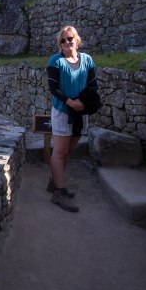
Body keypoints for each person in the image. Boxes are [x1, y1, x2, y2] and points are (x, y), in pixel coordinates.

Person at [46, 26, 98, 212]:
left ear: (77, 40)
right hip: (62, 111)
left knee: (69, 150)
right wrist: (70, 102)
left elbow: (93, 85)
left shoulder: (87, 60)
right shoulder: (56, 61)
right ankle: (58, 192)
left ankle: (54, 182)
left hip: (79, 112)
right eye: (63, 40)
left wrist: (82, 103)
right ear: (59, 44)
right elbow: (54, 88)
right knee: (60, 152)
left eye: (70, 38)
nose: (67, 42)